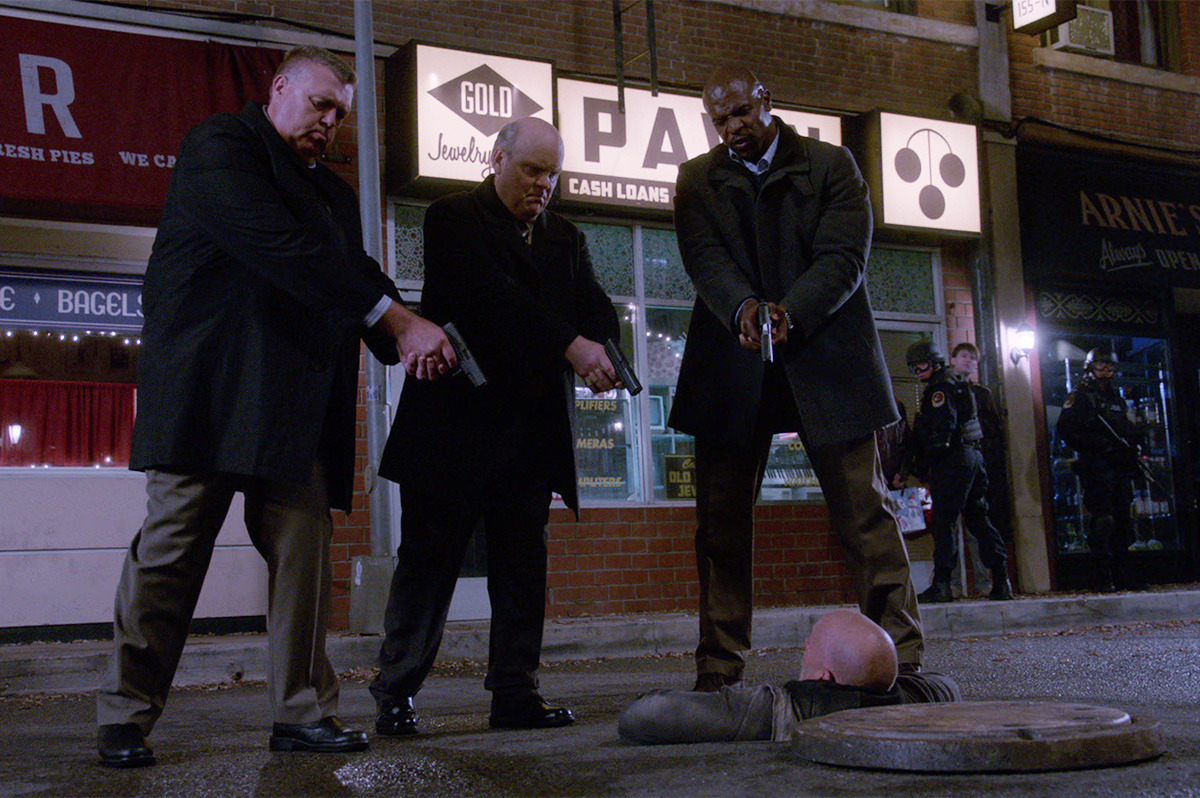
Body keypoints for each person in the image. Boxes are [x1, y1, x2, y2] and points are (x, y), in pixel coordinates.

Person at [95, 47, 455, 768]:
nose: (330, 123)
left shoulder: (333, 195)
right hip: (209, 393)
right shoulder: (221, 145)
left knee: (303, 557)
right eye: (321, 104)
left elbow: (351, 273)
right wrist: (394, 319)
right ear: (280, 87)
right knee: (169, 557)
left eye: (340, 116)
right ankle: (124, 717)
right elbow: (281, 248)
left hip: (292, 407)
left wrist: (410, 333)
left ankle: (300, 712)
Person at [668, 66, 924, 691]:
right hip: (733, 362)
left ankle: (904, 656)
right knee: (720, 524)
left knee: (866, 515)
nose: (732, 129)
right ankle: (719, 668)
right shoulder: (697, 179)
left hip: (826, 354)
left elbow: (845, 255)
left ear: (767, 103)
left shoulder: (832, 164)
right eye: (719, 119)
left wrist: (792, 313)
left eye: (741, 114)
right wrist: (742, 310)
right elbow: (704, 258)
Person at [370, 117, 622, 735]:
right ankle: (395, 693)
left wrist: (607, 346)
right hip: (455, 425)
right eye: (532, 169)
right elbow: (489, 297)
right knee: (427, 561)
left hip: (528, 432)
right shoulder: (451, 217)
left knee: (522, 566)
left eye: (552, 173)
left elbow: (593, 303)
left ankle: (515, 693)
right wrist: (571, 344)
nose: (543, 184)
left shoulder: (564, 237)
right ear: (498, 159)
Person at [618, 609, 959, 744]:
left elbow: (645, 715)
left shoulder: (779, 710)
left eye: (812, 643)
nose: (805, 644)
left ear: (824, 676)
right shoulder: (928, 696)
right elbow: (946, 683)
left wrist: (790, 701)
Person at [906, 340, 1012, 604]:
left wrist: (926, 462)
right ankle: (1001, 579)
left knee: (944, 521)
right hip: (971, 459)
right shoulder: (955, 383)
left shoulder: (940, 389)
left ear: (935, 362)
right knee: (978, 518)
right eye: (914, 368)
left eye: (921, 365)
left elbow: (943, 430)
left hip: (954, 460)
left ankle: (942, 584)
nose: (918, 372)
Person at [1057, 347, 1141, 593]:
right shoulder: (1081, 396)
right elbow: (1066, 430)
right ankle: (1102, 577)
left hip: (1119, 466)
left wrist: (1134, 443)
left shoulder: (1116, 398)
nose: (1106, 372)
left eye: (1110, 368)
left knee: (1124, 521)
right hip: (1097, 466)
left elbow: (1125, 428)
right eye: (1100, 367)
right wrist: (1099, 445)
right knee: (1103, 521)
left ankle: (1123, 574)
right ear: (1090, 369)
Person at [949, 342, 1011, 548]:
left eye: (973, 358)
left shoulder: (983, 394)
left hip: (976, 464)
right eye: (964, 356)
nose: (968, 360)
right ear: (953, 360)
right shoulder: (945, 390)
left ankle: (985, 578)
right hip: (952, 464)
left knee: (979, 522)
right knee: (950, 526)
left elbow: (994, 431)